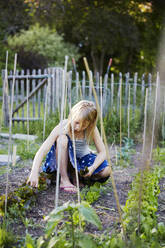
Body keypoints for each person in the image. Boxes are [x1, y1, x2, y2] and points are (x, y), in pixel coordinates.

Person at [27, 100, 110, 193]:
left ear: (90, 124)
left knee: (106, 170)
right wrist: (34, 172)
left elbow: (103, 152)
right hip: (62, 160)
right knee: (62, 139)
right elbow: (42, 150)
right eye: (77, 122)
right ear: (72, 116)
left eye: (84, 125)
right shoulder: (63, 126)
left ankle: (79, 176)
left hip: (80, 160)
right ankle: (64, 179)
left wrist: (93, 168)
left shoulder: (92, 129)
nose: (78, 128)